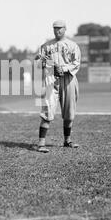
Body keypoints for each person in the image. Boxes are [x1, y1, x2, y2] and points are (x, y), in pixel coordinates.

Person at [33, 20, 81, 153]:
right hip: (51, 80)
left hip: (69, 79)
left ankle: (67, 140)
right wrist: (39, 60)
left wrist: (64, 68)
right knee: (47, 111)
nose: (57, 30)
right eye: (55, 28)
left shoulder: (72, 45)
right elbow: (38, 63)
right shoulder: (46, 46)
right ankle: (41, 143)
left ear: (65, 29)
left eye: (60, 28)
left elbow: (76, 63)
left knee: (69, 112)